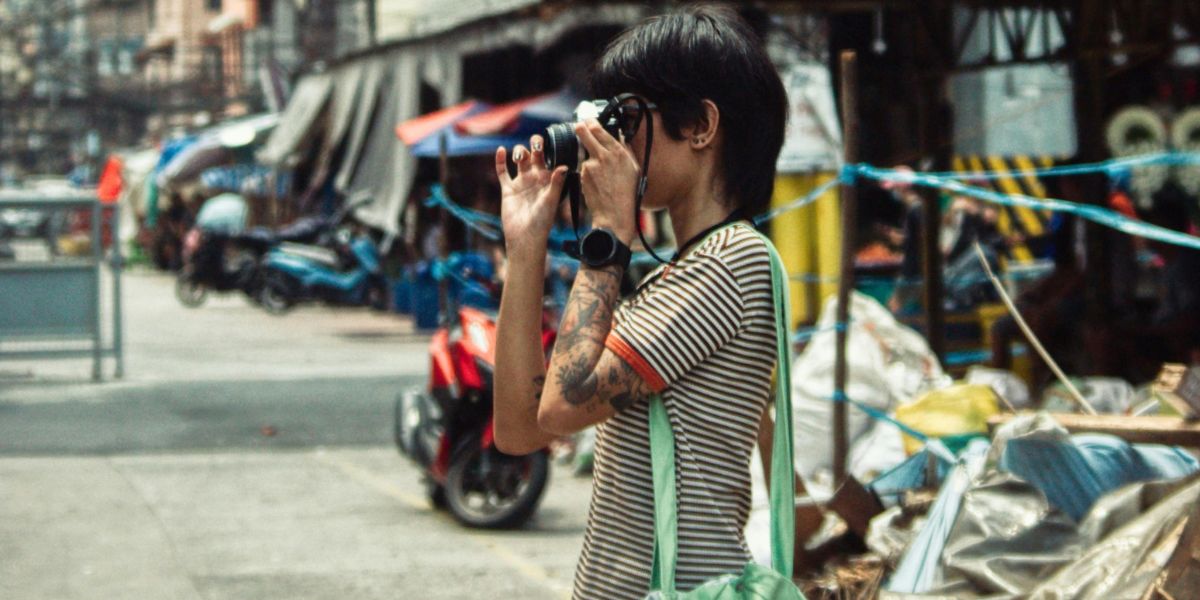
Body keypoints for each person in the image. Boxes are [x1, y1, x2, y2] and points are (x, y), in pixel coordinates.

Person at [491, 5, 789, 598]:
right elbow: (520, 431)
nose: (613, 142)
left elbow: (562, 406)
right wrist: (526, 250)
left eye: (626, 118)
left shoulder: (731, 263)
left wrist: (609, 232)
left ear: (701, 125)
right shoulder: (680, 274)